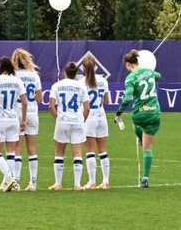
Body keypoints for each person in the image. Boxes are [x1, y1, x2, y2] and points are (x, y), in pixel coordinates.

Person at [115, 49, 162, 188]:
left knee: (136, 121)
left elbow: (128, 97)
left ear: (129, 64)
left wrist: (119, 112)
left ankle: (140, 138)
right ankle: (145, 179)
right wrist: (149, 72)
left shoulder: (130, 78)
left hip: (140, 114)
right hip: (154, 113)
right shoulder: (149, 71)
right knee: (148, 149)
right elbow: (158, 75)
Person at [48, 62, 90, 191]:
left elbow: (51, 106)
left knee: (59, 153)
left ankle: (58, 183)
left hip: (62, 121)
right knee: (77, 153)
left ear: (64, 73)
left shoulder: (57, 85)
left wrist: (58, 118)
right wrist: (82, 120)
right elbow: (87, 108)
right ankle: (77, 184)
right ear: (76, 74)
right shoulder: (81, 86)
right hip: (77, 121)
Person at [0, 56, 27, 192]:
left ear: (1, 66)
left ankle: (10, 178)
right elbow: (25, 102)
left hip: (0, 119)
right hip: (13, 119)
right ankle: (8, 183)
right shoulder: (17, 81)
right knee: (11, 152)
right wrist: (23, 120)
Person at [12, 47, 43, 190]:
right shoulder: (34, 76)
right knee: (32, 148)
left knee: (17, 148)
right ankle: (33, 182)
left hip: (18, 112)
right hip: (32, 113)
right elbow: (39, 98)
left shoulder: (14, 76)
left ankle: (16, 181)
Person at [81, 54, 111, 189]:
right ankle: (105, 181)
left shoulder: (81, 83)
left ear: (83, 67)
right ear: (95, 66)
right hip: (101, 117)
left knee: (89, 151)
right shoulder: (103, 81)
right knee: (103, 150)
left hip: (88, 118)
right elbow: (107, 101)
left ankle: (92, 181)